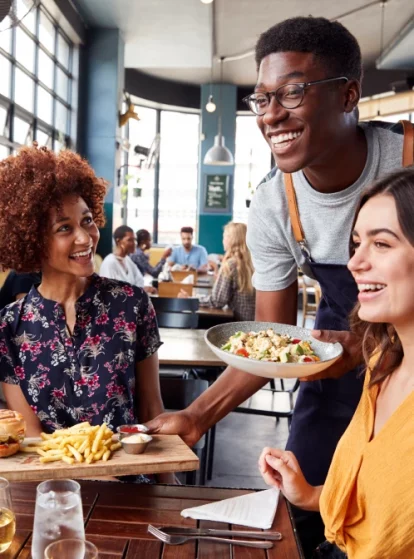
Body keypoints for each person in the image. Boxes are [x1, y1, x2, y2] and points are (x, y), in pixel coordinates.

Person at [145, 16, 414, 555]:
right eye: (261, 97)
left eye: (292, 92)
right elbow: (270, 340)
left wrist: (369, 347)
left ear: (348, 95)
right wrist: (196, 416)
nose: (271, 114)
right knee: (309, 506)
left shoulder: (406, 158)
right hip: (333, 359)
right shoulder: (273, 203)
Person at [259, 167, 414, 559]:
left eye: (381, 244)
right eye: (357, 243)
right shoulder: (383, 363)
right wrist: (309, 494)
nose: (354, 263)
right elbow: (374, 502)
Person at [0, 146, 165, 473]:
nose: (85, 237)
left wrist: (168, 487)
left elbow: (150, 408)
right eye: (64, 228)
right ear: (32, 239)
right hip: (49, 487)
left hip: (129, 483)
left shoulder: (132, 304)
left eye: (87, 220)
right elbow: (31, 437)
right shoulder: (9, 327)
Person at [180, 222, 255, 321]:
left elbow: (217, 301)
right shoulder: (249, 263)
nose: (223, 240)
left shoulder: (231, 265)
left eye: (224, 237)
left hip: (237, 324)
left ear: (232, 240)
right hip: (250, 321)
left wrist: (191, 299)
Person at [100, 225, 155, 294]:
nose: (135, 243)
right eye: (130, 240)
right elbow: (110, 291)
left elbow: (140, 281)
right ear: (118, 241)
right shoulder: (109, 263)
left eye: (135, 239)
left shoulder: (127, 260)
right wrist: (138, 290)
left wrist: (144, 289)